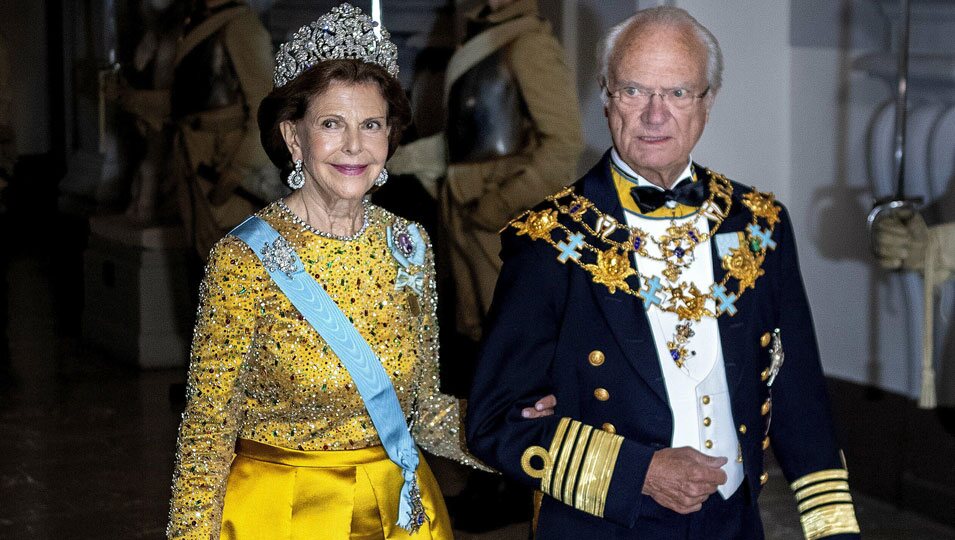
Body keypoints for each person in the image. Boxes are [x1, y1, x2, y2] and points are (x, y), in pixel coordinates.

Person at [465, 6, 861, 540]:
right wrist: (639, 473)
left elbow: (798, 389)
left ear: (707, 104)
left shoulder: (761, 223)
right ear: (606, 99)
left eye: (677, 93)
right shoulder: (547, 241)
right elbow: (493, 421)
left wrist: (833, 530)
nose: (656, 115)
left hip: (733, 523)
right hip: (604, 524)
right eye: (634, 91)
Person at [166, 4, 553, 539]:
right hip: (283, 515)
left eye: (371, 124)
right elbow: (207, 431)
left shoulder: (409, 245)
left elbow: (420, 410)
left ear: (390, 138)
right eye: (331, 124)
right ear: (294, 138)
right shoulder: (243, 258)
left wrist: (512, 430)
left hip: (398, 513)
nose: (354, 145)